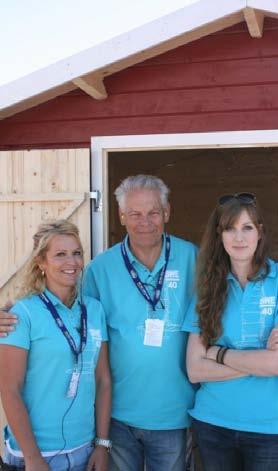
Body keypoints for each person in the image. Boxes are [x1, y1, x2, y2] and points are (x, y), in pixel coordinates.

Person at [182, 192, 278, 471]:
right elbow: (194, 369)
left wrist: (217, 353)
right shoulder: (207, 289)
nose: (238, 237)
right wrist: (261, 360)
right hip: (213, 422)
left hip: (269, 426)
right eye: (230, 228)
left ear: (260, 232)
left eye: (247, 227)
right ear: (219, 235)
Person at [83, 175, 197, 471]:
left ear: (167, 212)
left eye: (153, 212)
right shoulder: (99, 270)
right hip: (118, 415)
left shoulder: (193, 259)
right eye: (134, 213)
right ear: (121, 216)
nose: (144, 221)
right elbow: (71, 314)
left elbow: (225, 310)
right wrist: (13, 310)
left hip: (175, 413)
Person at [0, 220, 111, 471]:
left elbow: (103, 379)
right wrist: (33, 458)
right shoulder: (22, 313)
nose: (71, 262)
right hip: (37, 453)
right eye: (60, 255)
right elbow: (9, 389)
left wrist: (102, 445)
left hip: (85, 450)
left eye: (76, 253)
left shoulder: (94, 310)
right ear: (41, 262)